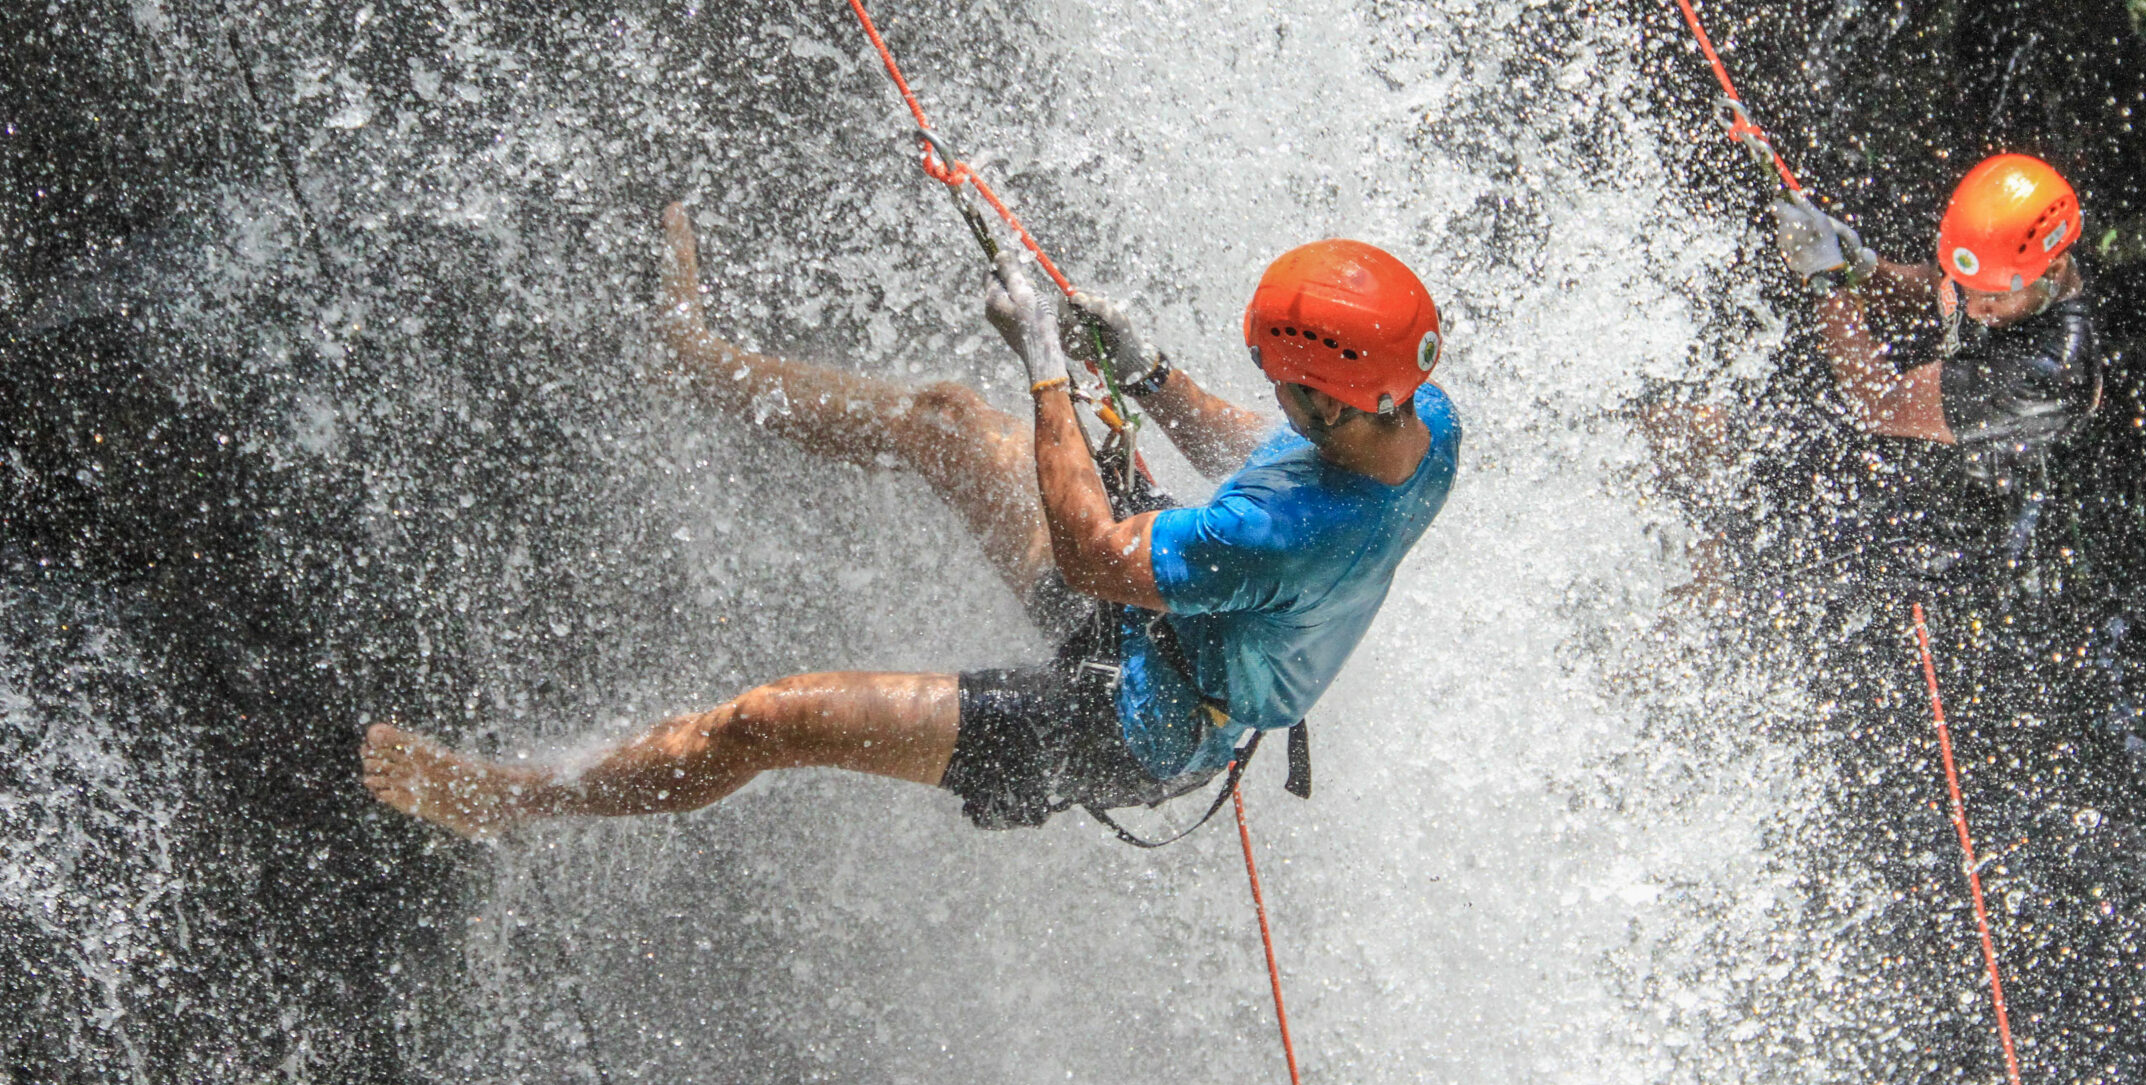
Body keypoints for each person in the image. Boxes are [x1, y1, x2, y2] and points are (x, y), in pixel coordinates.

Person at [360, 206, 1460, 838]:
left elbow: (1092, 557)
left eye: (1280, 382)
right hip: (1167, 614)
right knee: (941, 421)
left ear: (1334, 397)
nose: (1271, 397)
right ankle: (691, 362)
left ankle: (516, 802)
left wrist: (1043, 367)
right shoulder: (1420, 421)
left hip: (1130, 721)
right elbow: (1247, 454)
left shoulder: (1287, 535)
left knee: (769, 721)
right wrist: (1155, 375)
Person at [1769, 153, 2100, 491]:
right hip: (1924, 476)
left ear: (2055, 271)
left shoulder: (2047, 374)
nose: (1972, 310)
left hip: (1979, 530)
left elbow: (1879, 404)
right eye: (1969, 290)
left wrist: (1826, 279)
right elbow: (1938, 290)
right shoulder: (2008, 268)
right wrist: (1863, 269)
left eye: (1992, 298)